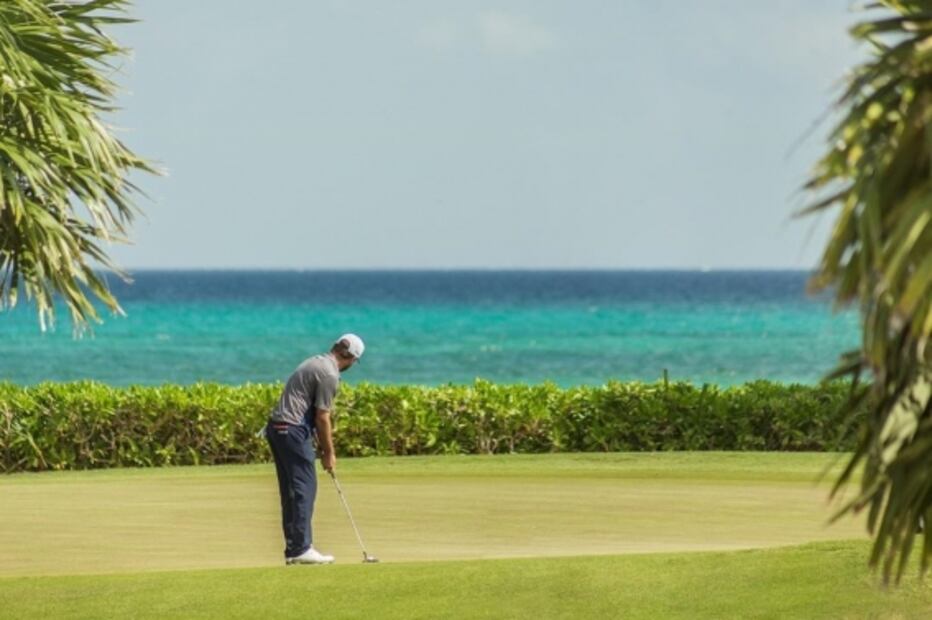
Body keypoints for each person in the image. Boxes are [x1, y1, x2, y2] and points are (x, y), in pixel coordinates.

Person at [266, 333, 364, 565]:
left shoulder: (314, 362)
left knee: (291, 491)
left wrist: (319, 447)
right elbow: (322, 417)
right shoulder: (330, 374)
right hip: (292, 429)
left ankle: (293, 549)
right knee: (304, 487)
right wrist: (328, 453)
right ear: (351, 358)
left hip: (276, 428)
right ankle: (301, 548)